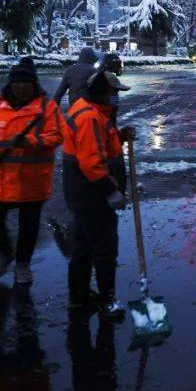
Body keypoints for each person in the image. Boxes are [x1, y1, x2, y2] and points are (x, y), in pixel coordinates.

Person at [0, 58, 65, 285]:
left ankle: (22, 264)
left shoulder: (47, 108)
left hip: (31, 182)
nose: (21, 87)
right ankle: (5, 253)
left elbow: (57, 136)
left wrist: (30, 141)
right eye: (17, 82)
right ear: (10, 84)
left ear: (34, 84)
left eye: (26, 82)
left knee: (28, 227)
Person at [62, 70, 134, 318]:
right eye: (114, 92)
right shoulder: (90, 118)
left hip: (83, 194)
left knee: (83, 246)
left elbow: (100, 147)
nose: (117, 97)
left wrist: (120, 137)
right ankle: (107, 299)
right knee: (105, 247)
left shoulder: (94, 113)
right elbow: (92, 163)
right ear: (103, 92)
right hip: (93, 195)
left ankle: (78, 297)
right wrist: (111, 191)